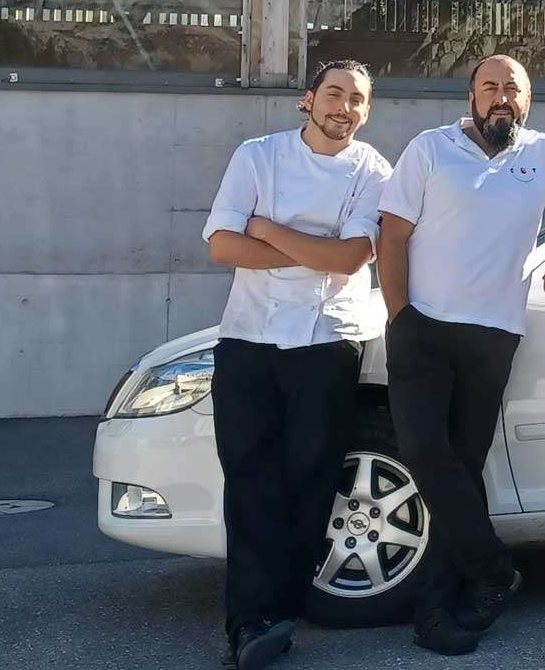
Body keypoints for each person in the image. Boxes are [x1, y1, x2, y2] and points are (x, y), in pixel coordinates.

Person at [375, 54, 545, 656]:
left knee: (461, 469)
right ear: (471, 97)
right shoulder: (430, 149)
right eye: (490, 87)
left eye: (513, 88)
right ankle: (492, 569)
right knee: (424, 452)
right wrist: (401, 318)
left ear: (528, 100)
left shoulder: (544, 153)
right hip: (423, 329)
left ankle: (439, 614)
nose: (502, 97)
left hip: (492, 336)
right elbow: (392, 234)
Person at [202, 60, 392, 670]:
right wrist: (310, 249)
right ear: (308, 100)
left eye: (356, 99)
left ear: (366, 111)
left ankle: (279, 613)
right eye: (334, 93)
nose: (344, 107)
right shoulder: (257, 157)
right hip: (248, 339)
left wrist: (267, 229)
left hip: (328, 341)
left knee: (310, 481)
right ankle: (248, 622)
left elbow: (349, 260)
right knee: (249, 481)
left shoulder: (374, 171)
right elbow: (221, 245)